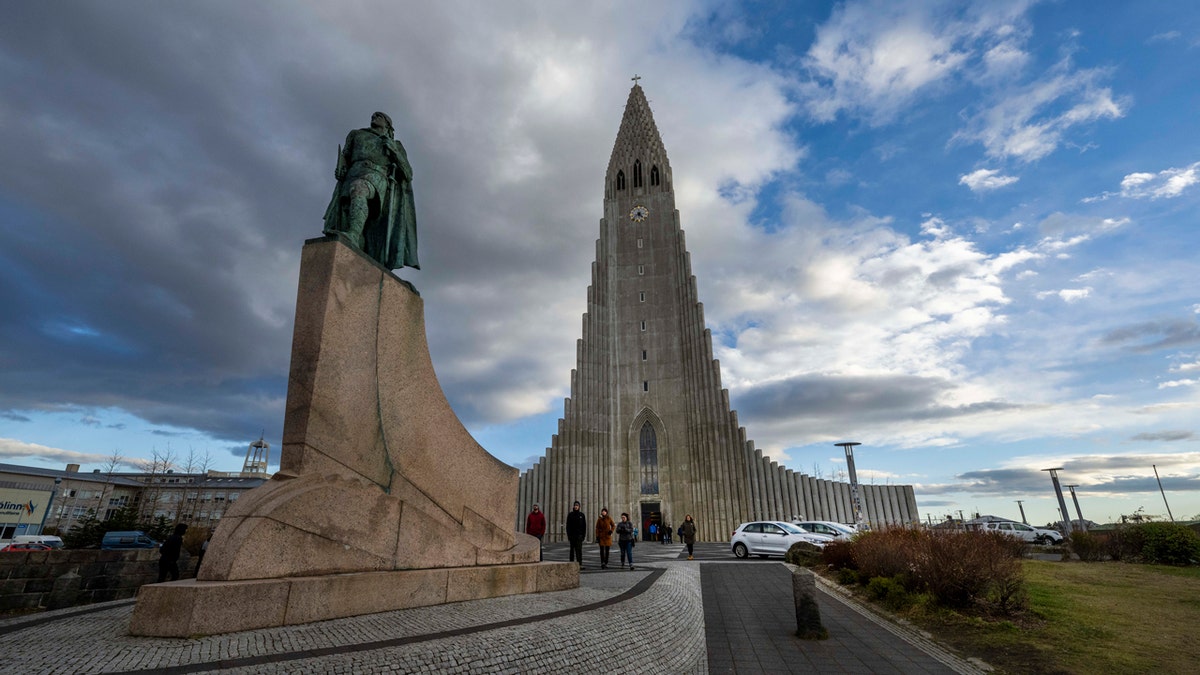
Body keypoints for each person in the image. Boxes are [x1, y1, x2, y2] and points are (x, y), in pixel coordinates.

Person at [323, 111, 419, 271]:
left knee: (359, 188)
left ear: (388, 125)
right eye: (374, 115)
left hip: (376, 176)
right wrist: (341, 169)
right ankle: (359, 239)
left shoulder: (396, 145)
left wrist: (394, 151)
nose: (374, 117)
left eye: (379, 116)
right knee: (351, 204)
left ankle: (353, 234)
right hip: (352, 174)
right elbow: (345, 157)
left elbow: (408, 174)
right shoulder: (356, 135)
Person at [566, 500, 587, 569]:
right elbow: (568, 526)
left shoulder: (582, 515)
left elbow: (584, 526)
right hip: (572, 536)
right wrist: (569, 535)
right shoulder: (570, 515)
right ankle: (571, 564)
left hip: (579, 536)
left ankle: (579, 564)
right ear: (573, 506)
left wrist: (583, 535)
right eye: (575, 505)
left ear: (579, 507)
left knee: (579, 550)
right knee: (572, 550)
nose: (576, 507)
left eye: (577, 505)